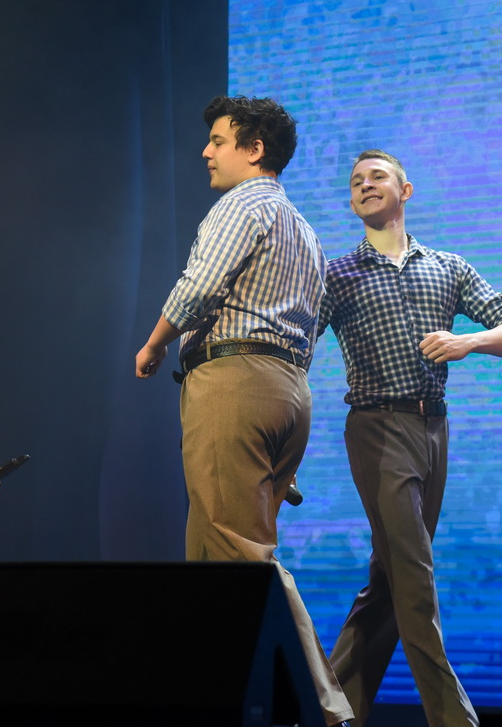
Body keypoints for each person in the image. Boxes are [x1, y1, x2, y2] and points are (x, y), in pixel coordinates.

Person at [134, 96, 352, 726]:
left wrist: (155, 342)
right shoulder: (305, 230)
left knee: (239, 555)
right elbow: (311, 327)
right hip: (286, 388)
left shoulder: (243, 205)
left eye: (218, 140)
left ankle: (327, 709)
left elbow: (200, 286)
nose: (206, 151)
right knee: (210, 564)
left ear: (255, 150)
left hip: (236, 381)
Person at [320, 150, 502, 726]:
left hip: (434, 427)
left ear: (405, 191)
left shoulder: (447, 267)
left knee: (390, 578)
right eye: (356, 182)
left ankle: (331, 708)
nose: (365, 186)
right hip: (377, 427)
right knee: (413, 573)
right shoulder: (336, 274)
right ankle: (454, 718)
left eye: (376, 177)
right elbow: (298, 345)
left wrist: (467, 343)